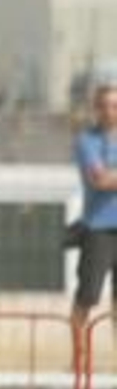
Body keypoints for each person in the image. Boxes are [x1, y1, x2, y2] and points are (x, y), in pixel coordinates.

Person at [71, 82, 117, 360]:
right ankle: (79, 358)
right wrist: (107, 179)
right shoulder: (87, 140)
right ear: (96, 109)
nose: (111, 111)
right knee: (88, 295)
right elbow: (98, 180)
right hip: (98, 228)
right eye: (106, 106)